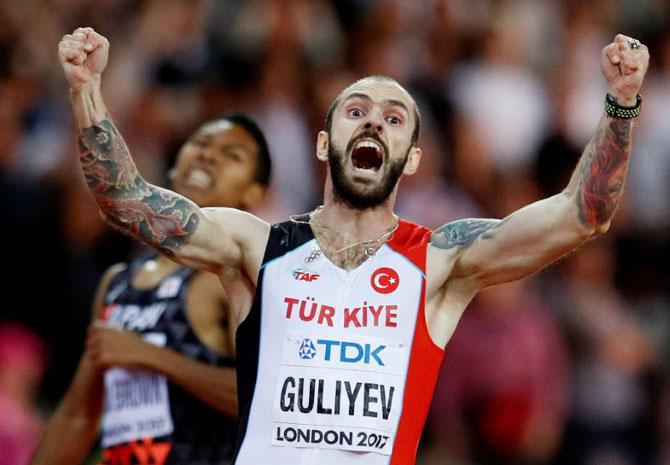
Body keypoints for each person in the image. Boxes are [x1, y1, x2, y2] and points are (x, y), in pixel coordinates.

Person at [57, 26, 649, 465]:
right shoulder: (257, 247)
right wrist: (86, 90)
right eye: (357, 111)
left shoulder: (440, 262)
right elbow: (126, 200)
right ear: (323, 142)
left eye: (394, 119)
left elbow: (582, 215)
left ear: (413, 158)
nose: (373, 123)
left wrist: (621, 102)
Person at [29, 112, 272, 465]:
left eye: (232, 154)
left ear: (254, 193)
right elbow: (78, 415)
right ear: (174, 165)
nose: (208, 155)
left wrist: (151, 356)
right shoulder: (118, 281)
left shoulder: (232, 280)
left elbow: (262, 398)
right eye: (200, 143)